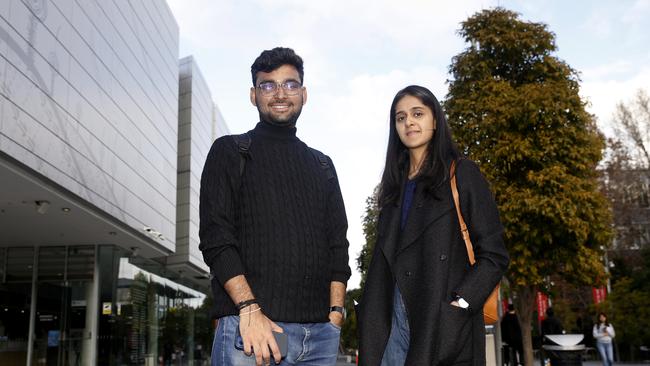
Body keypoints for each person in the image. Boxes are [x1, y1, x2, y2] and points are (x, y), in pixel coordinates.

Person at [199, 47, 351, 366]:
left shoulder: (323, 164)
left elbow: (338, 244)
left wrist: (336, 314)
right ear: (254, 95)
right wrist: (249, 308)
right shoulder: (230, 151)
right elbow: (216, 238)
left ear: (304, 94)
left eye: (290, 84)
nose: (280, 93)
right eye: (268, 85)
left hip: (320, 338)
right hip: (253, 333)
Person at [357, 85, 509, 365]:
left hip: (440, 318)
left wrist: (461, 303)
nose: (409, 122)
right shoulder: (392, 189)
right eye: (400, 117)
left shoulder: (461, 173)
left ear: (435, 120)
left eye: (418, 113)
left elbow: (494, 254)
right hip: (390, 320)